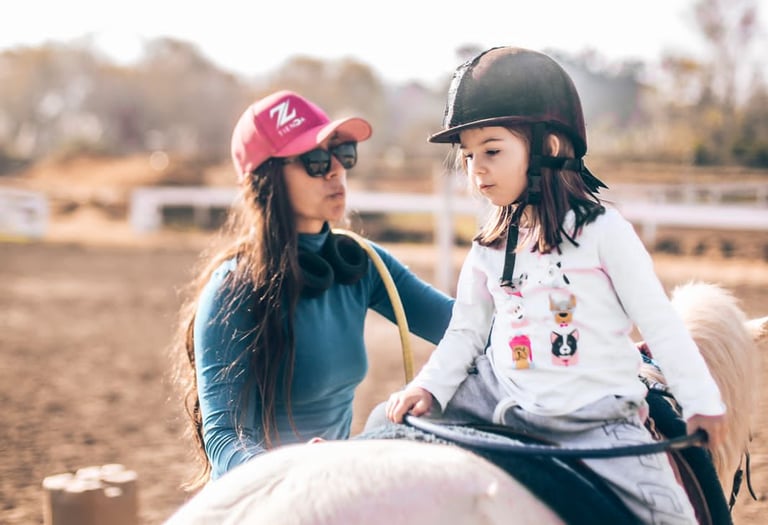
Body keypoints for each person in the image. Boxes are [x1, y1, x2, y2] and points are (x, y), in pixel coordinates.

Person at [385, 47, 726, 524]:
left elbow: (659, 323)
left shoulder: (604, 232)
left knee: (671, 517)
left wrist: (701, 401)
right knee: (385, 422)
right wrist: (429, 386)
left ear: (549, 146)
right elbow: (465, 332)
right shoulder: (488, 245)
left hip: (592, 416)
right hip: (500, 397)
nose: (476, 168)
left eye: (491, 151)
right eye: (467, 155)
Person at [172, 90, 454, 490]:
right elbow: (223, 438)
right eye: (316, 160)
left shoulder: (362, 263)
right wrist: (292, 474)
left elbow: (460, 328)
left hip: (331, 484)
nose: (336, 170)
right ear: (266, 178)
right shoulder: (232, 288)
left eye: (343, 154)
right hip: (266, 496)